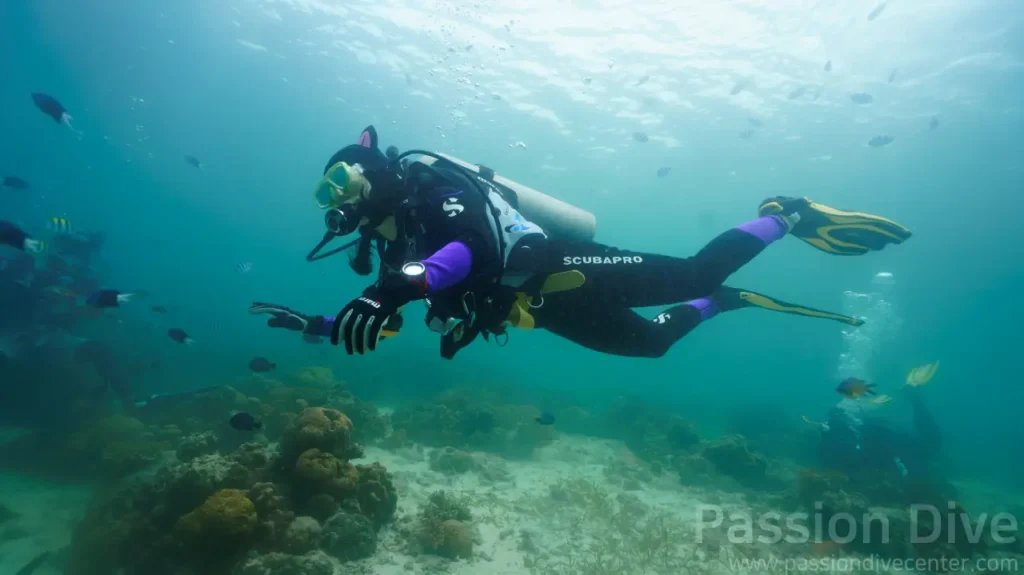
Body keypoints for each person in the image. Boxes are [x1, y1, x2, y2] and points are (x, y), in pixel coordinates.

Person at [251, 126, 912, 359]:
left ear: (373, 173)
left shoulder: (435, 190)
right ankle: (724, 302)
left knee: (692, 272)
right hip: (537, 307)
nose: (336, 202)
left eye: (340, 182)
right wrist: (319, 324)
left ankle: (786, 214)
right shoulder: (396, 249)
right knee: (651, 345)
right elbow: (387, 319)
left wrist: (391, 289)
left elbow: (474, 251)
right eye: (325, 195)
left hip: (560, 265)